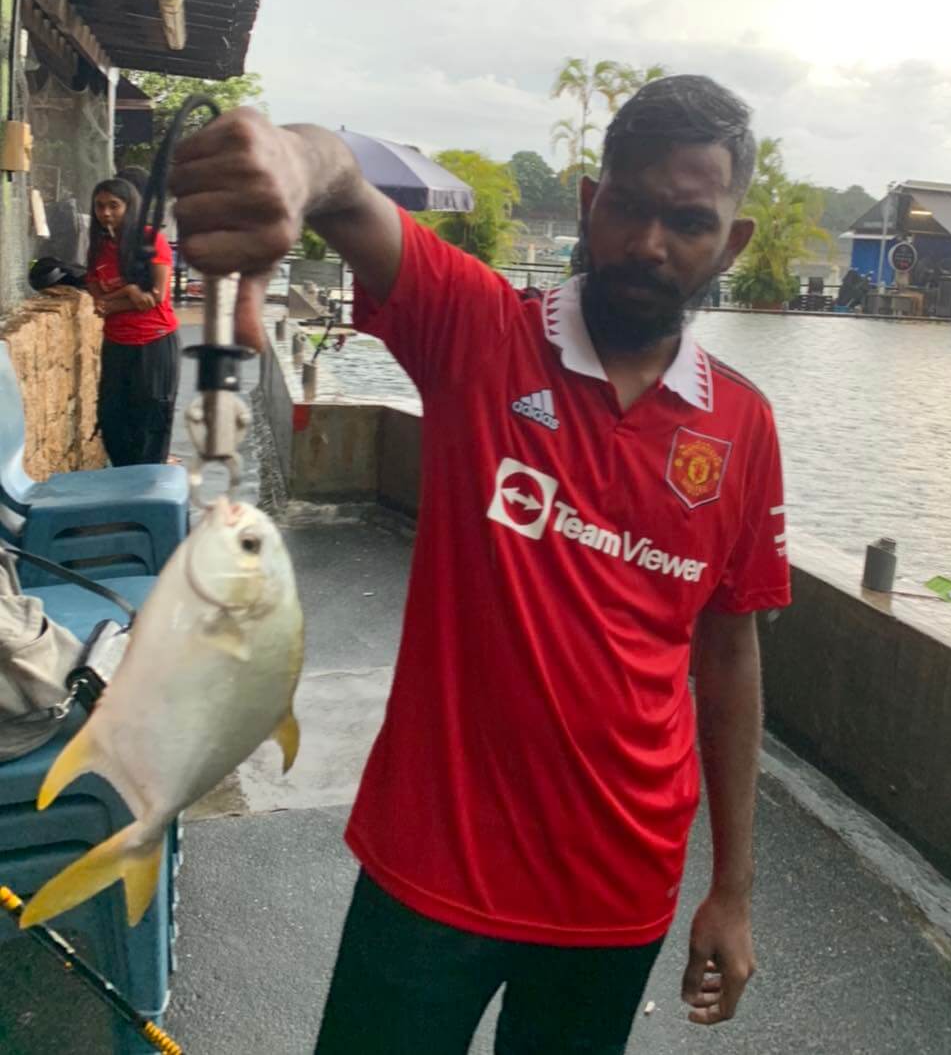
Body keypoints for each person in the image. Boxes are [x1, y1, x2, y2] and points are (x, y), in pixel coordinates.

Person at [171, 75, 792, 1054]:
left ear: (734, 242)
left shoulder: (743, 426)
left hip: (620, 885)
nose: (649, 243)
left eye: (688, 220)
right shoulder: (479, 328)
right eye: (628, 205)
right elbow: (346, 189)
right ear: (591, 201)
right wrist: (292, 161)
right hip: (433, 863)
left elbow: (728, 654)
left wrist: (734, 889)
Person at [85, 177, 180, 467]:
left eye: (114, 205)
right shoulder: (98, 249)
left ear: (130, 207)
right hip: (117, 342)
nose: (106, 213)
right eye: (100, 206)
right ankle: (126, 481)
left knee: (151, 415)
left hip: (155, 340)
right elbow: (99, 303)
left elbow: (155, 297)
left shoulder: (150, 241)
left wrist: (114, 300)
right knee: (112, 418)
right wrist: (128, 291)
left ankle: (149, 484)